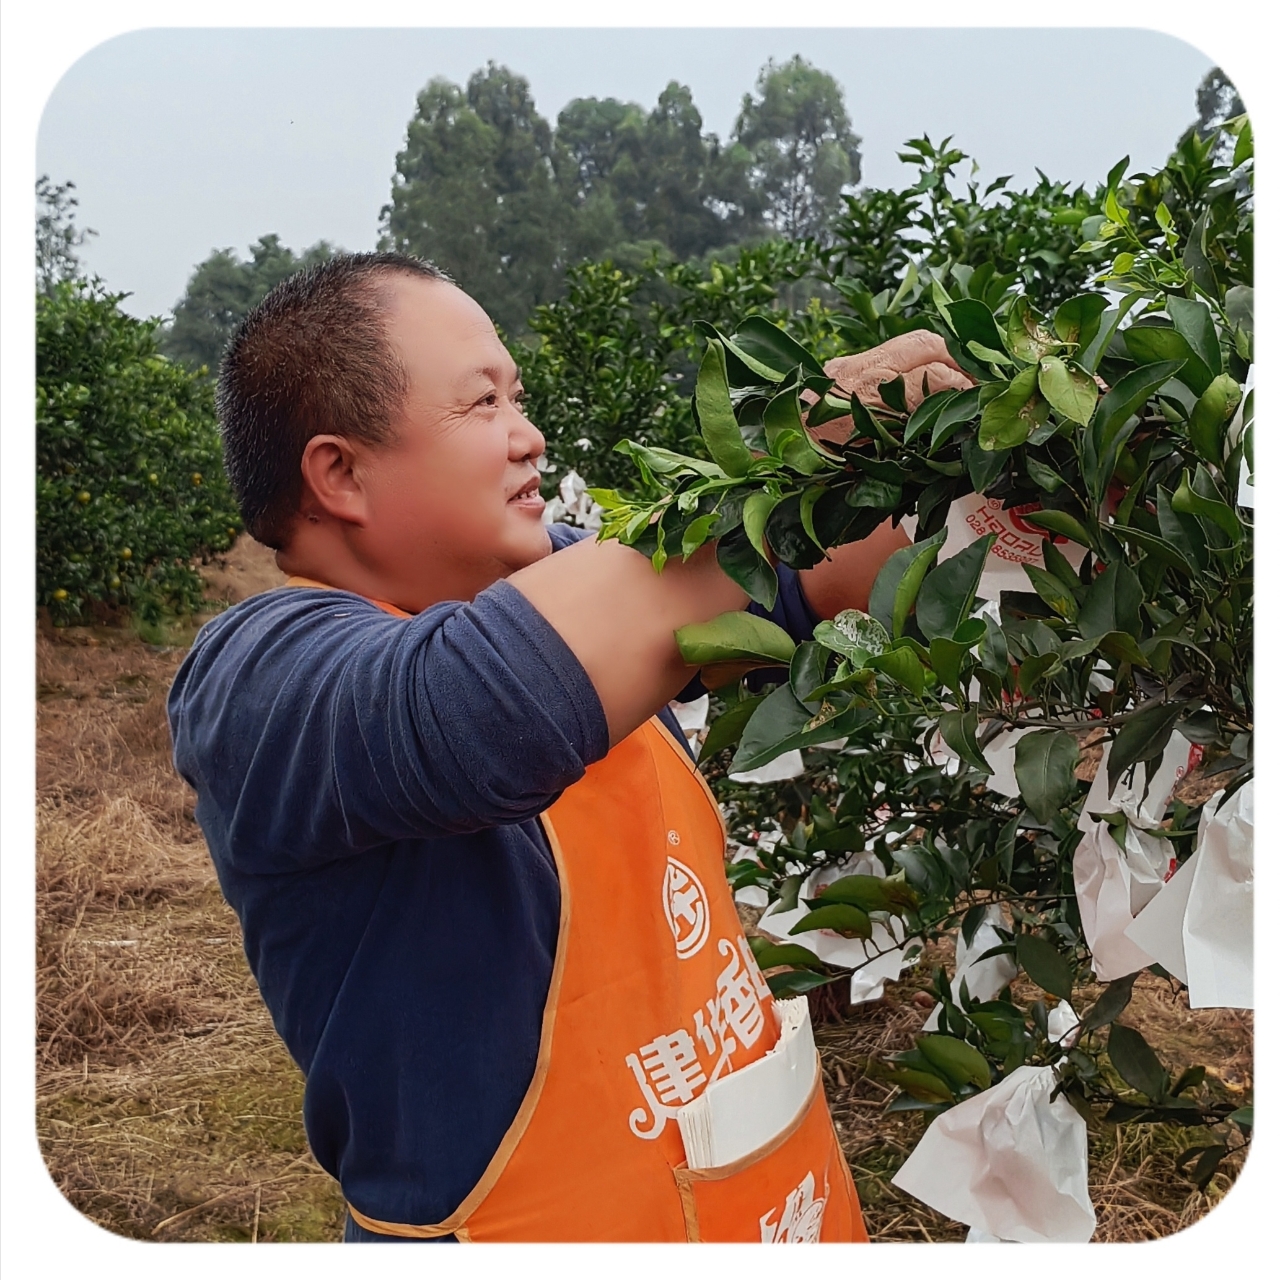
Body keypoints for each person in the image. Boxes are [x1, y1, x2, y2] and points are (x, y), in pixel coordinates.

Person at [167, 253, 969, 1242]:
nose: (529, 434)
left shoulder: (567, 579)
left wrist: (976, 470)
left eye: (518, 396)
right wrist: (787, 469)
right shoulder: (258, 678)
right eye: (482, 403)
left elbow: (810, 579)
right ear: (341, 473)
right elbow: (482, 706)